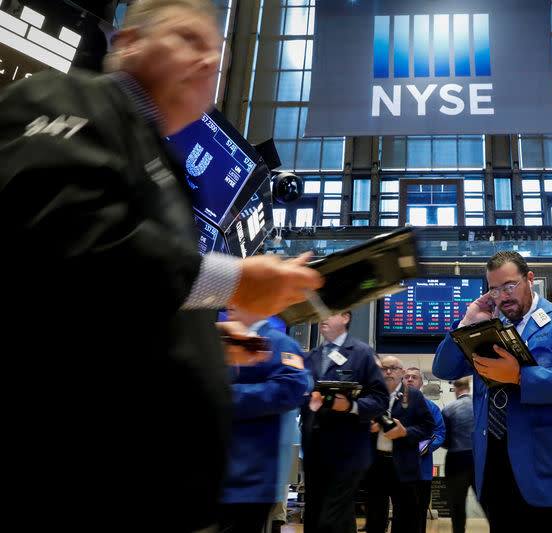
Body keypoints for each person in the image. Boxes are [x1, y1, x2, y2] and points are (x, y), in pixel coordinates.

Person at [0, 1, 323, 531]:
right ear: (128, 42)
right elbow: (68, 236)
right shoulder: (66, 97)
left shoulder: (166, 168)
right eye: (188, 39)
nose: (208, 60)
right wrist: (234, 280)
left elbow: (124, 304)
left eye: (216, 53)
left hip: (160, 496)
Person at [432, 250, 552, 532]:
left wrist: (519, 376)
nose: (503, 296)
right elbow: (444, 369)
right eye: (494, 289)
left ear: (530, 280)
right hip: (497, 475)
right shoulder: (487, 330)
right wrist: (468, 322)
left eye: (509, 286)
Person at [218, 306, 311, 533]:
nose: (230, 306)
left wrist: (225, 396)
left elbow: (292, 388)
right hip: (220, 468)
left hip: (252, 472)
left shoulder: (281, 343)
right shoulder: (224, 341)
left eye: (240, 300)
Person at [301, 312, 389, 533]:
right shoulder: (311, 356)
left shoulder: (362, 353)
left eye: (329, 312)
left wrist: (351, 406)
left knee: (330, 520)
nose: (322, 318)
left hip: (348, 450)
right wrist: (306, 400)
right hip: (314, 450)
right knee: (314, 518)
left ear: (346, 317)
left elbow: (380, 400)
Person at [366, 356, 436, 533]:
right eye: (384, 368)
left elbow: (428, 428)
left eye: (394, 368)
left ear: (402, 373)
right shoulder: (371, 393)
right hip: (376, 465)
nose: (388, 372)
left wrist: (405, 432)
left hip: (405, 464)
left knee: (405, 519)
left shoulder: (414, 396)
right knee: (375, 517)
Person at [404, 367, 447, 533]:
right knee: (401, 514)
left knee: (419, 513)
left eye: (414, 377)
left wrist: (425, 446)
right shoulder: (393, 405)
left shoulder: (431, 408)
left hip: (421, 471)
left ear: (421, 383)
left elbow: (439, 432)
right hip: (397, 470)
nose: (409, 379)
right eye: (406, 376)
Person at [441, 377, 478, 533]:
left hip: (456, 461)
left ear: (455, 389)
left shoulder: (448, 409)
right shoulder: (479, 407)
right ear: (468, 387)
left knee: (457, 505)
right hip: (478, 459)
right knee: (488, 502)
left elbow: (444, 439)